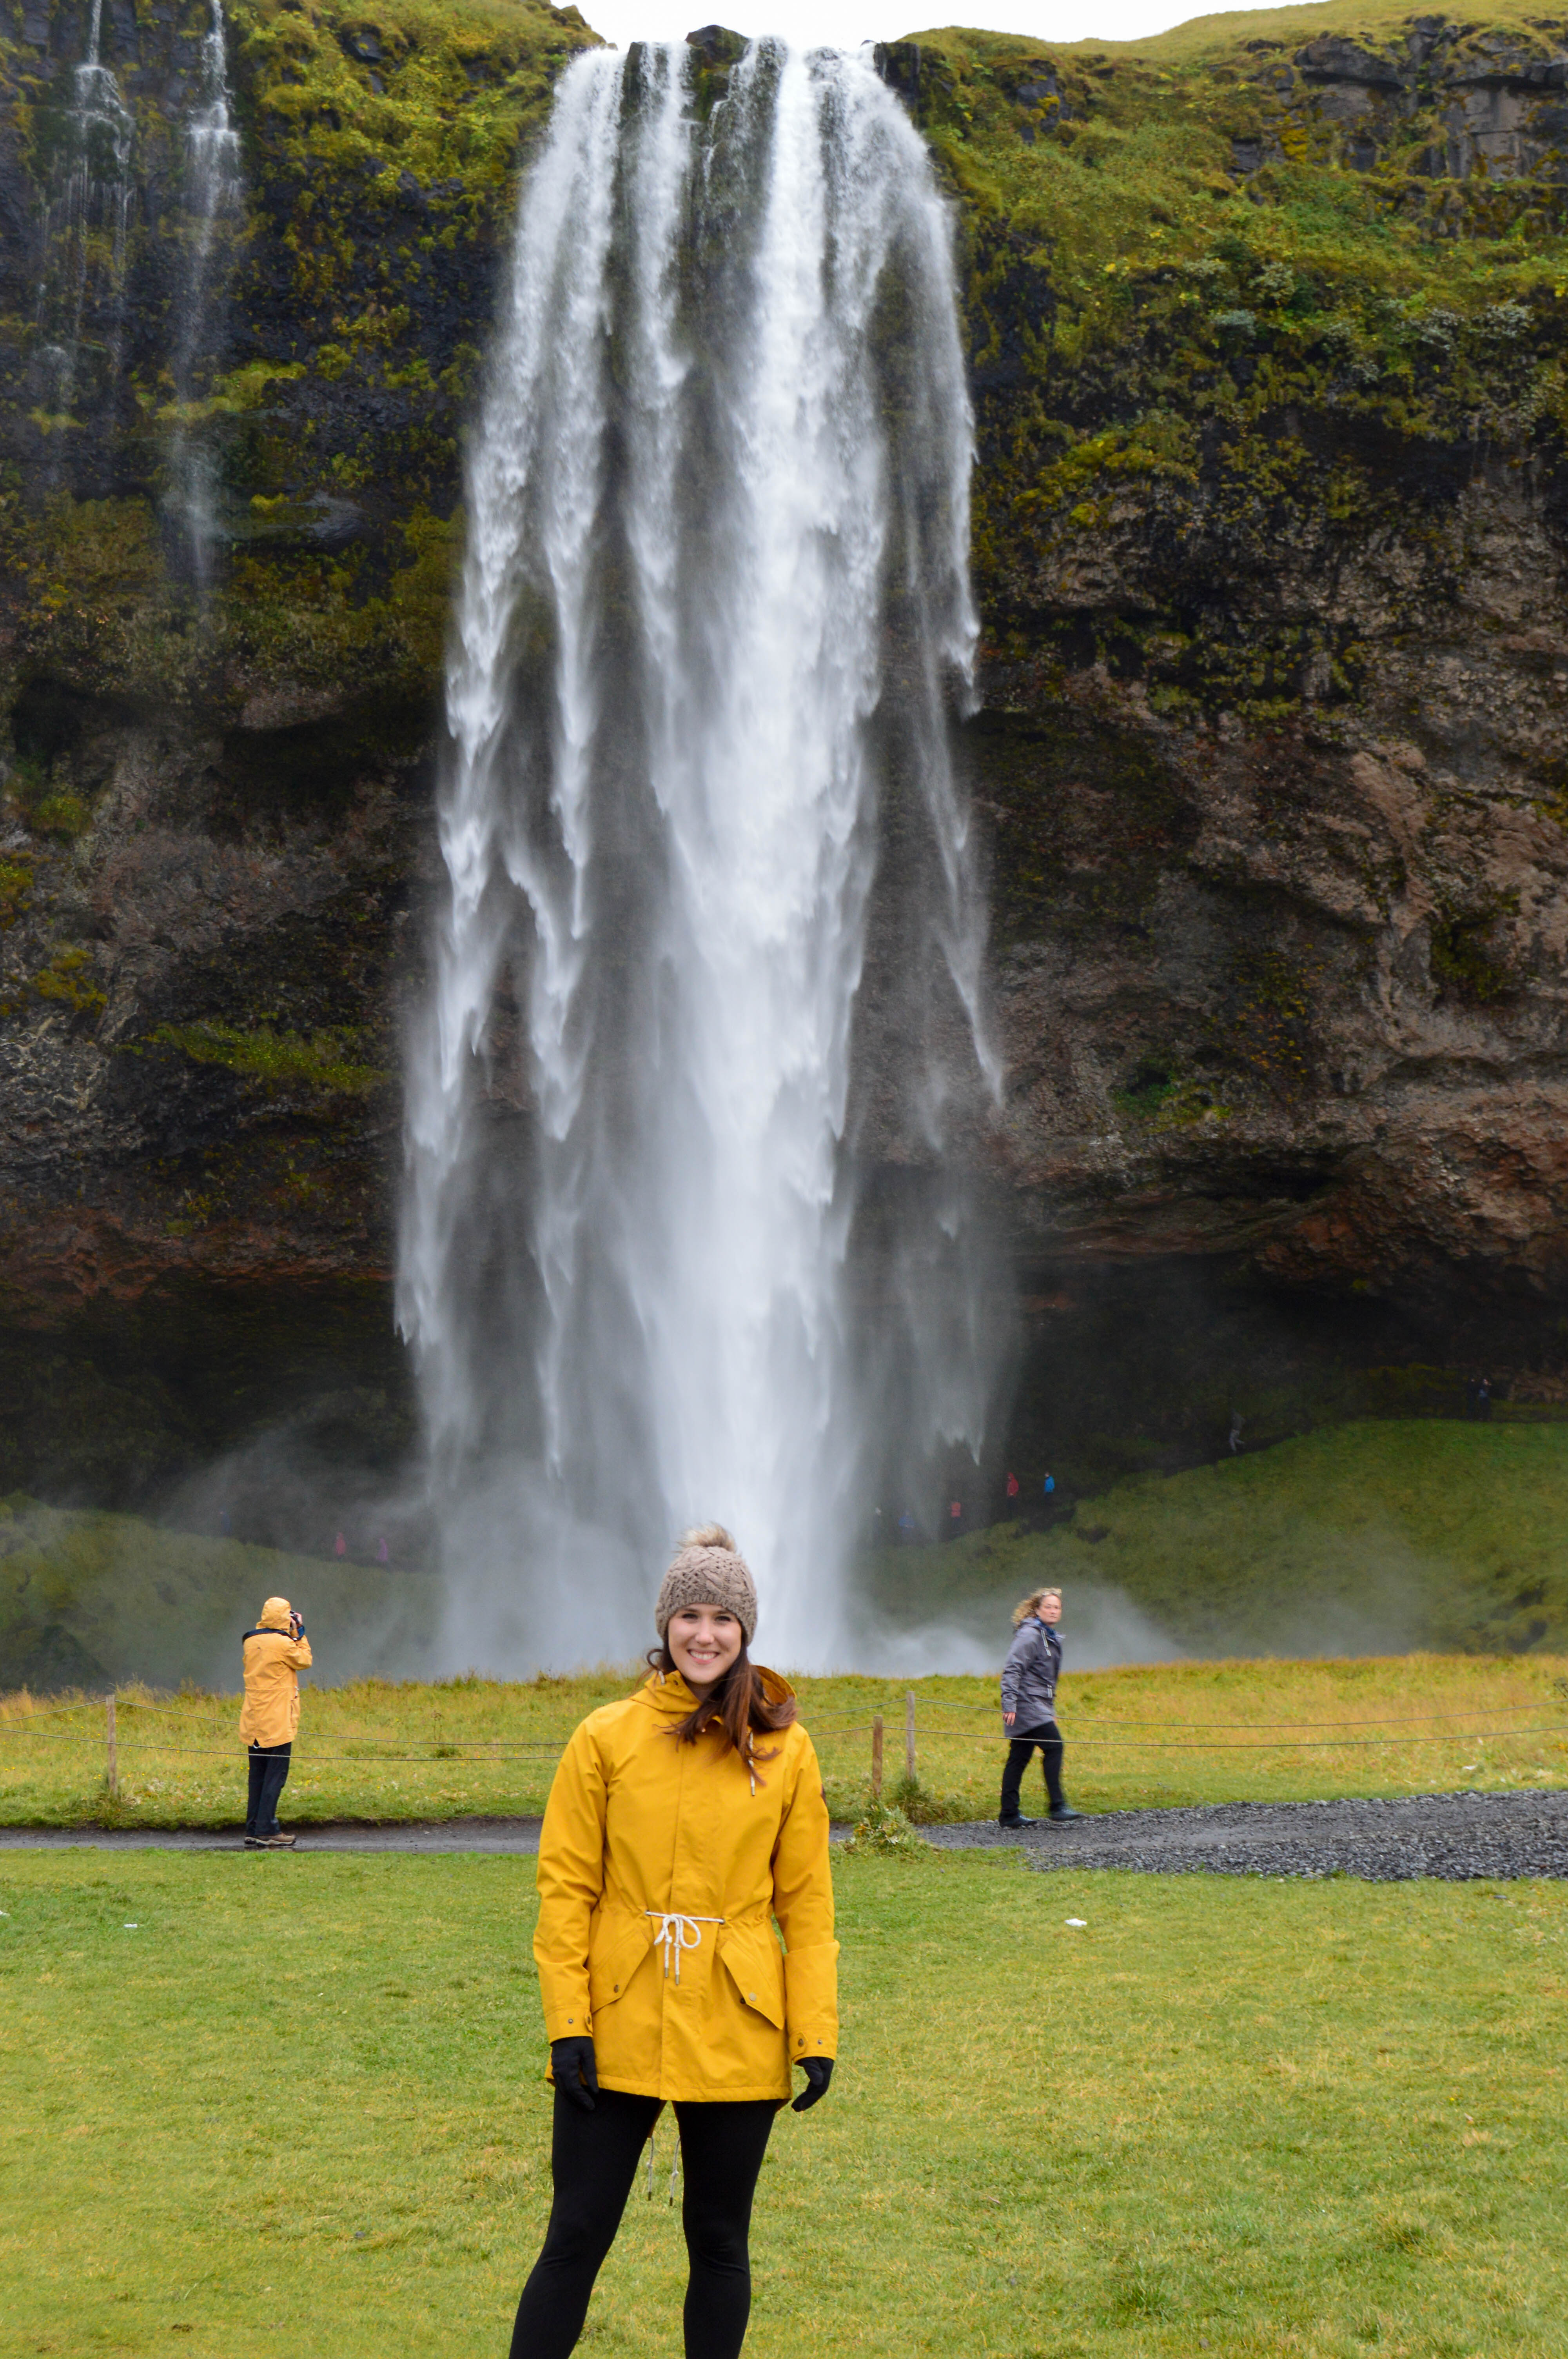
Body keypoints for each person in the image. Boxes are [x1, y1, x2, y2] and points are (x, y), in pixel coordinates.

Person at [512, 1523, 837, 2359]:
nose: (704, 1632)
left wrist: (815, 2034)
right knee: (575, 2235)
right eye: (687, 1613)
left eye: (722, 1617)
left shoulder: (786, 1747)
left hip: (737, 2016)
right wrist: (566, 2023)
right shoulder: (604, 1736)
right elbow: (566, 1891)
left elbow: (805, 1904)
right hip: (616, 2014)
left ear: (745, 1630)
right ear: (663, 1625)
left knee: (721, 2239)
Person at [998, 1585, 1078, 1828]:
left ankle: (1009, 1814)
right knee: (1054, 1747)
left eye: (1057, 1607)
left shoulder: (1046, 1636)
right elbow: (1013, 1669)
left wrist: (1050, 1712)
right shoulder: (1031, 1635)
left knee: (1019, 1757)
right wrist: (1010, 1704)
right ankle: (1057, 1806)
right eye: (1049, 1607)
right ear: (1037, 1609)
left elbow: (1047, 1680)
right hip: (1027, 1704)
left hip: (1036, 1705)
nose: (1054, 1611)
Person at [239, 1596, 312, 1850]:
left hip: (253, 1720)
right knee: (275, 1776)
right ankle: (268, 1830)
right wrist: (299, 1632)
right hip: (278, 1721)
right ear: (284, 1617)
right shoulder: (283, 1643)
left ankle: (253, 1828)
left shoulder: (250, 1641)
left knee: (258, 1775)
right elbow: (304, 1660)